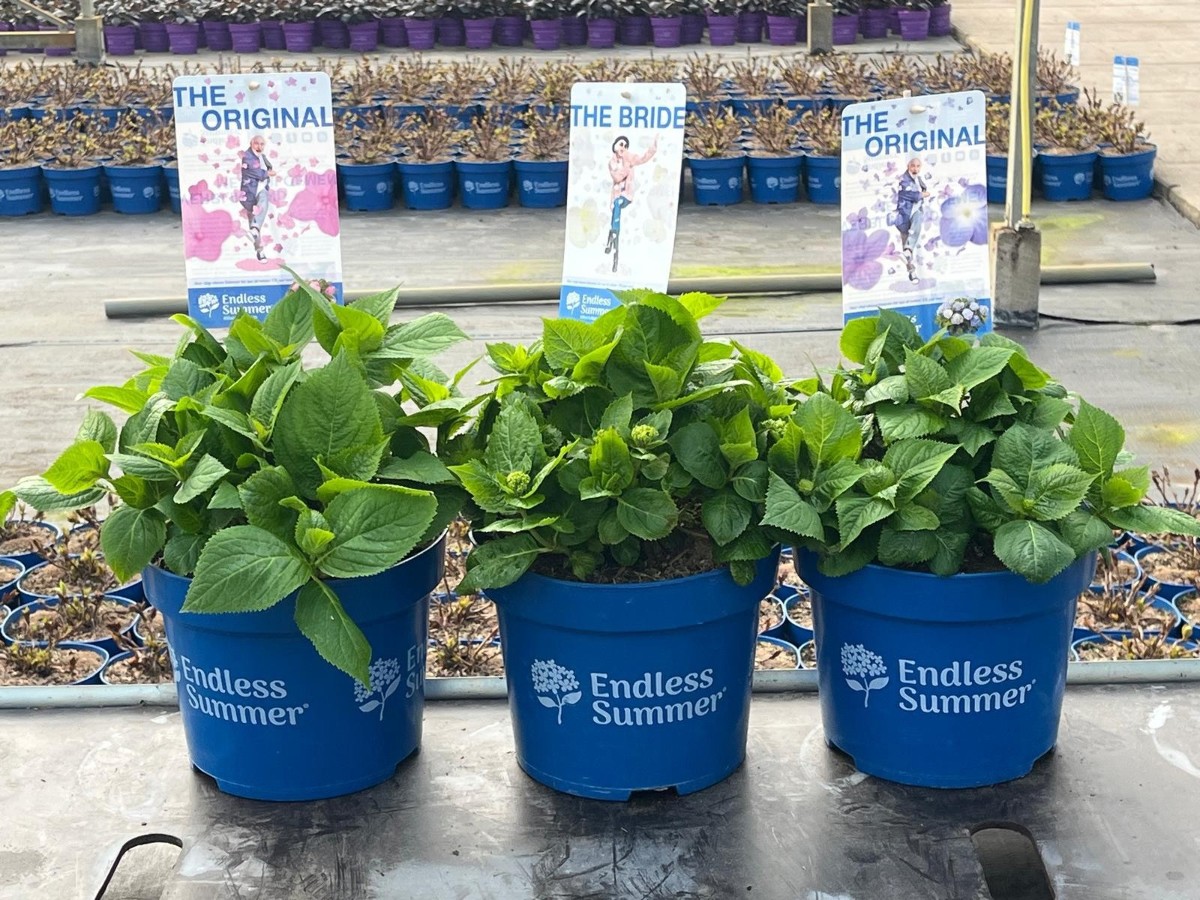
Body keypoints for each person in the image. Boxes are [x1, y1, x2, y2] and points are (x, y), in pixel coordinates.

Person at [604, 134, 658, 269]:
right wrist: (627, 167)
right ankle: (612, 239)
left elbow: (643, 158)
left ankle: (614, 237)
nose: (623, 147)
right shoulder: (612, 163)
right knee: (615, 207)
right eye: (621, 144)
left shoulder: (629, 158)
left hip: (626, 196)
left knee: (618, 205)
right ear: (615, 146)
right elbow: (617, 178)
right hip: (616, 196)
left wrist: (652, 148)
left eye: (626, 146)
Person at [892, 157, 929, 282]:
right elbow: (908, 195)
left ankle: (908, 249)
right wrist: (922, 195)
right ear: (908, 166)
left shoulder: (918, 179)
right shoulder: (904, 180)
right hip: (905, 216)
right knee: (906, 243)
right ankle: (912, 272)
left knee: (918, 218)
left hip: (915, 213)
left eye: (918, 166)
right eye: (913, 166)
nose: (915, 169)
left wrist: (924, 193)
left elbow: (923, 188)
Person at [240, 135, 273, 262]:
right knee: (253, 222)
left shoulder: (262, 157)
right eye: (256, 143)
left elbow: (267, 168)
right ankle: (260, 250)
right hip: (250, 193)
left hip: (261, 190)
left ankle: (254, 229)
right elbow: (258, 173)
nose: (259, 146)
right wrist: (268, 173)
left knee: (264, 198)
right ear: (251, 143)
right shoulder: (247, 157)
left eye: (262, 144)